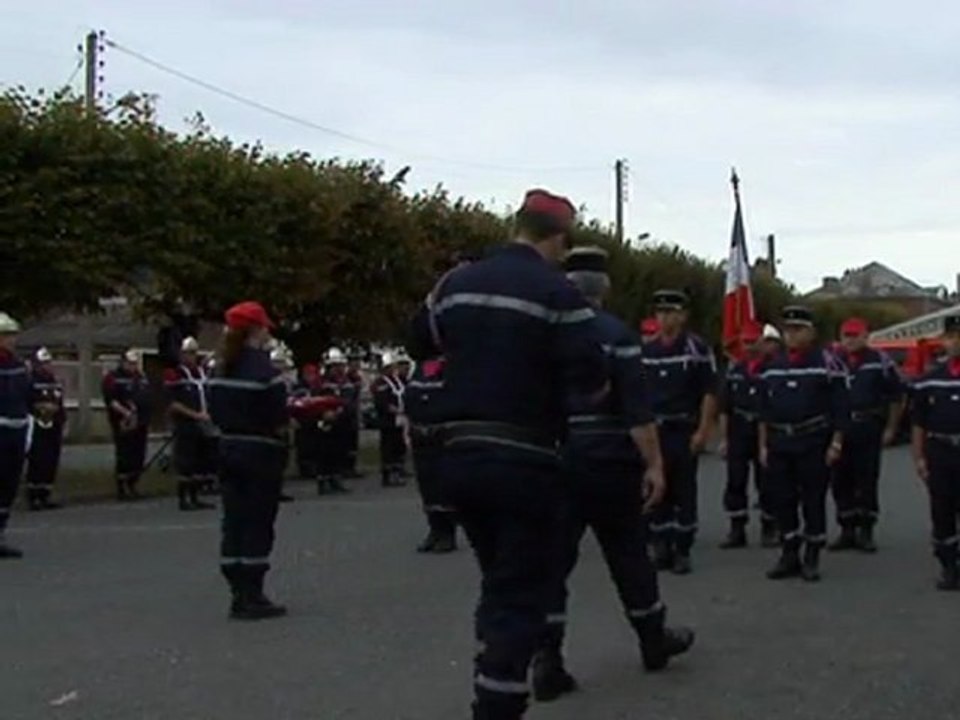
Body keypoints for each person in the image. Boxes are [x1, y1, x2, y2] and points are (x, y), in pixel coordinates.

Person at [409, 188, 607, 720]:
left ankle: (490, 662)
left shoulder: (456, 284)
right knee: (521, 589)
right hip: (526, 456)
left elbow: (419, 341)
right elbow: (591, 375)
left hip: (460, 453)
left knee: (496, 576)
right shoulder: (557, 293)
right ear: (558, 238)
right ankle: (495, 700)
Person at [533, 246, 694, 703]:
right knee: (628, 554)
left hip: (555, 456)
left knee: (552, 561)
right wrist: (655, 464)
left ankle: (547, 658)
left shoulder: (540, 336)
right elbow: (636, 411)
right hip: (608, 458)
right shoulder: (616, 335)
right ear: (604, 287)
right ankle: (652, 638)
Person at [207, 301, 288, 620]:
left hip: (227, 448)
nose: (268, 331)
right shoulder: (266, 372)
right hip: (261, 451)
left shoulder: (219, 369)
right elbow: (278, 415)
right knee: (258, 521)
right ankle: (253, 591)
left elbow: (214, 410)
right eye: (264, 326)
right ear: (255, 329)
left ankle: (237, 589)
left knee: (234, 520)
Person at [759, 306, 849, 582]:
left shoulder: (827, 363)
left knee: (812, 498)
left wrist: (836, 443)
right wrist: (763, 445)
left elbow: (841, 407)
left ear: (811, 332)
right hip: (779, 441)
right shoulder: (773, 365)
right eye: (787, 330)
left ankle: (812, 553)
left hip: (813, 440)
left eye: (798, 330)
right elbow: (764, 410)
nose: (792, 335)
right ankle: (789, 552)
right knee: (782, 500)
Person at [642, 289, 718, 574]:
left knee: (684, 489)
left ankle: (682, 547)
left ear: (683, 316)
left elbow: (709, 392)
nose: (664, 317)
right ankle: (661, 544)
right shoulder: (647, 351)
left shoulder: (696, 349)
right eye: (660, 312)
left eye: (671, 312)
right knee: (656, 487)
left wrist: (703, 430)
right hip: (655, 429)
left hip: (683, 427)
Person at [829, 317, 904, 552]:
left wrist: (891, 428)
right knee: (840, 480)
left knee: (867, 479)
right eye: (846, 335)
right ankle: (846, 529)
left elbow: (897, 396)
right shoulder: (832, 361)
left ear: (865, 336)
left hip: (867, 426)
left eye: (855, 335)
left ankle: (866, 529)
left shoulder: (879, 361)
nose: (850, 340)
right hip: (839, 428)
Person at [910, 314, 960, 590]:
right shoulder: (929, 380)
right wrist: (919, 458)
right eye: (951, 337)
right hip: (940, 451)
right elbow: (919, 422)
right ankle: (949, 565)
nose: (956, 343)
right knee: (942, 511)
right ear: (943, 340)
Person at [717, 321, 777, 548]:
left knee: (768, 481)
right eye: (746, 342)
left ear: (763, 342)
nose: (749, 347)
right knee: (735, 481)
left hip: (765, 430)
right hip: (739, 429)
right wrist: (724, 439)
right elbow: (724, 407)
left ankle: (769, 527)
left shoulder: (773, 369)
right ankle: (737, 528)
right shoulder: (735, 371)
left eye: (754, 342)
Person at [405, 354, 458, 553]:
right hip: (420, 434)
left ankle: (447, 533)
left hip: (441, 435)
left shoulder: (450, 366)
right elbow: (410, 397)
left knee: (443, 485)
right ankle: (434, 529)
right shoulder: (420, 368)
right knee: (426, 484)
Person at [163, 337, 217, 511]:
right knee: (185, 462)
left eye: (194, 353)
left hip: (204, 422)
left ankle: (195, 496)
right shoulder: (176, 374)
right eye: (188, 353)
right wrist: (195, 415)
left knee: (199, 462)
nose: (191, 357)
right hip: (186, 423)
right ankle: (183, 499)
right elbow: (172, 403)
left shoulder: (201, 373)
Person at [102, 349, 152, 501]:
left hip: (140, 421)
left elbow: (146, 396)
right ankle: (122, 487)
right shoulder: (113, 378)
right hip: (123, 421)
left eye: (135, 363)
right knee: (125, 453)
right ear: (122, 362)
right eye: (130, 363)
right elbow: (111, 400)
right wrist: (126, 413)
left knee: (138, 454)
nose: (133, 366)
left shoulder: (141, 377)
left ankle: (133, 484)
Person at [0, 312, 29, 558]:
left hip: (17, 428)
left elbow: (26, 393)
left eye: (13, 335)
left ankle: (0, 533)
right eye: (7, 335)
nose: (12, 340)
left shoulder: (18, 363)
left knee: (9, 483)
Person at [24, 347, 66, 511]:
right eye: (43, 364)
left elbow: (59, 402)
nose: (47, 366)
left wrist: (62, 419)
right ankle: (33, 496)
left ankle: (45, 494)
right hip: (37, 424)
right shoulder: (30, 381)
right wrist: (41, 406)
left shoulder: (54, 381)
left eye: (48, 363)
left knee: (51, 459)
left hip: (54, 424)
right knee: (37, 459)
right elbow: (26, 402)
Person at [317, 347, 352, 494]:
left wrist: (341, 411)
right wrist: (324, 414)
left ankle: (336, 478)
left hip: (341, 421)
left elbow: (349, 400)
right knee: (325, 452)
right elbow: (316, 401)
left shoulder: (346, 383)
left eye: (340, 366)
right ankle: (323, 480)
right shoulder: (322, 383)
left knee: (339, 451)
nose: (339, 369)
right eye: (335, 366)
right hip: (325, 421)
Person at [373, 352, 408, 488]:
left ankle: (398, 471)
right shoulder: (381, 383)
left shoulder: (398, 380)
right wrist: (392, 409)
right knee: (388, 447)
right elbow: (381, 401)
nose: (390, 370)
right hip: (387, 420)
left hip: (400, 418)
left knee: (399, 445)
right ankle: (388, 475)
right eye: (388, 367)